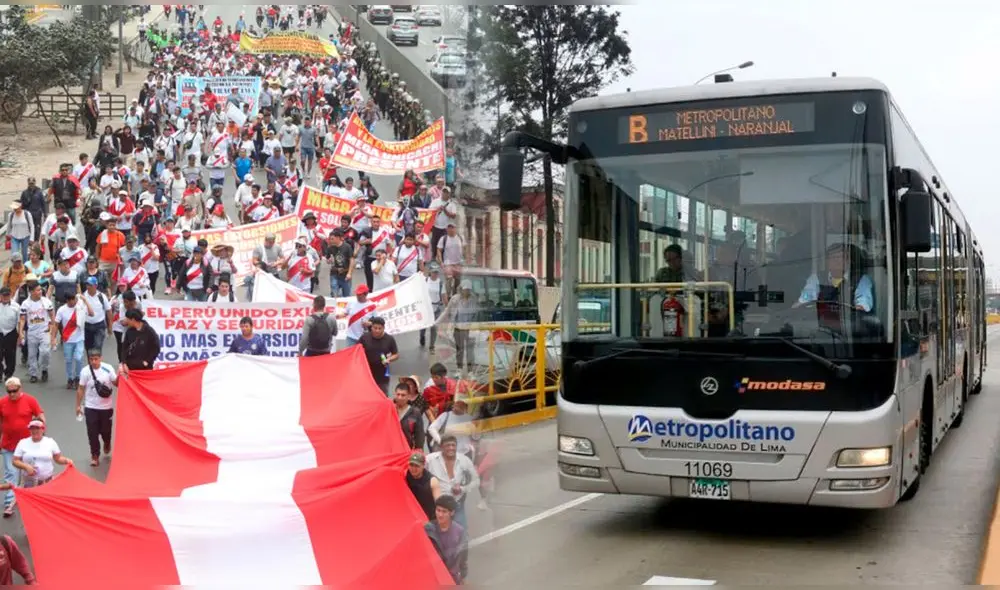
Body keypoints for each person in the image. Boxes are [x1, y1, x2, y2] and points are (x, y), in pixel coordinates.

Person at [0, 377, 44, 517]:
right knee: (11, 474)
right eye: (9, 391)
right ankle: (10, 503)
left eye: (14, 390)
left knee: (29, 475)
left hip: (27, 447)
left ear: (20, 388)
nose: (12, 394)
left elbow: (40, 414)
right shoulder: (2, 403)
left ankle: (30, 499)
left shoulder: (30, 400)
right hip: (9, 445)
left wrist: (42, 430)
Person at [795, 242, 875, 312]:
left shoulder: (861, 280)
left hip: (848, 326)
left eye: (841, 257)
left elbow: (863, 307)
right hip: (820, 325)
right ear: (827, 261)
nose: (837, 261)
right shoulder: (817, 277)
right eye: (833, 258)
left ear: (848, 261)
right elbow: (804, 300)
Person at [425, 435, 478, 531]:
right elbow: (418, 471)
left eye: (453, 445)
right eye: (448, 445)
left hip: (456, 505)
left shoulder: (464, 460)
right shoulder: (430, 460)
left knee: (461, 533)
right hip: (437, 507)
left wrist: (462, 489)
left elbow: (476, 480)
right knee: (437, 534)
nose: (451, 448)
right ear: (441, 447)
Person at [76, 349, 117, 467]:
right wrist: (78, 405)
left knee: (106, 431)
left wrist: (122, 373)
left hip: (106, 407)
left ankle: (107, 442)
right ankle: (94, 455)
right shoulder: (85, 371)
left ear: (101, 358)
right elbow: (81, 389)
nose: (94, 362)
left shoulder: (108, 369)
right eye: (91, 359)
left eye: (96, 359)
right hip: (91, 407)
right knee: (92, 433)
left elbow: (116, 383)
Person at [423, 494, 469, 585]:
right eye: (438, 510)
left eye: (444, 512)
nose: (440, 515)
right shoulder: (428, 529)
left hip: (452, 578)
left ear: (451, 513)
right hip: (434, 577)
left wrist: (463, 576)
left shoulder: (460, 532)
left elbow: (463, 556)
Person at [12, 419, 72, 488]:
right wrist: (26, 466)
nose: (34, 431)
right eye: (32, 428)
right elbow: (15, 461)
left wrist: (66, 460)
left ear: (43, 429)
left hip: (47, 482)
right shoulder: (23, 443)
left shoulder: (50, 442)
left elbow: (58, 458)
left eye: (37, 428)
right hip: (28, 483)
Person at [54, 291, 93, 390]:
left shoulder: (80, 307)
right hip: (67, 339)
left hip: (79, 338)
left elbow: (92, 313)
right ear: (67, 300)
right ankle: (70, 378)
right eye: (71, 300)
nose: (73, 302)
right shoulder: (61, 310)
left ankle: (78, 378)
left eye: (74, 299)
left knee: (79, 358)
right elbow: (56, 324)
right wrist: (53, 338)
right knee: (68, 360)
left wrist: (85, 300)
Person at [18, 283, 55, 384]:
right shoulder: (25, 304)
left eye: (40, 290)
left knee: (45, 352)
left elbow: (52, 315)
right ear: (31, 292)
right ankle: (33, 374)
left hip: (44, 331)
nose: (40, 292)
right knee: (32, 355)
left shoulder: (46, 301)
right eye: (38, 290)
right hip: (32, 332)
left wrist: (53, 330)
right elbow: (22, 319)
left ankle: (44, 369)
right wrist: (21, 332)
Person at [359, 316, 398, 395]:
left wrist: (389, 359)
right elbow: (357, 351)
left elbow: (396, 354)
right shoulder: (364, 338)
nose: (377, 330)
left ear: (384, 328)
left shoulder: (389, 339)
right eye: (375, 328)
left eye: (380, 328)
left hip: (382, 375)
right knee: (367, 395)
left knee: (382, 395)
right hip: (367, 373)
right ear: (371, 327)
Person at [406, 451, 441, 521]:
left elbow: (439, 503)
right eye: (411, 465)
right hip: (411, 518)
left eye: (417, 466)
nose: (413, 469)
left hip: (429, 519)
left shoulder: (432, 481)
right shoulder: (405, 476)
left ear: (423, 465)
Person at [395, 382, 425, 450]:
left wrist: (418, 451)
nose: (400, 397)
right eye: (398, 394)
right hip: (390, 449)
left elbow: (419, 435)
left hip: (407, 450)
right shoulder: (390, 410)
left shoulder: (415, 412)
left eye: (403, 395)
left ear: (408, 396)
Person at [0, 288, 18, 381]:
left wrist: (20, 336)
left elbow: (19, 322)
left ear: (10, 295)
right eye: (4, 295)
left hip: (11, 333)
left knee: (10, 355)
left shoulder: (16, 306)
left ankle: (9, 373)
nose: (5, 297)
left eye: (7, 295)